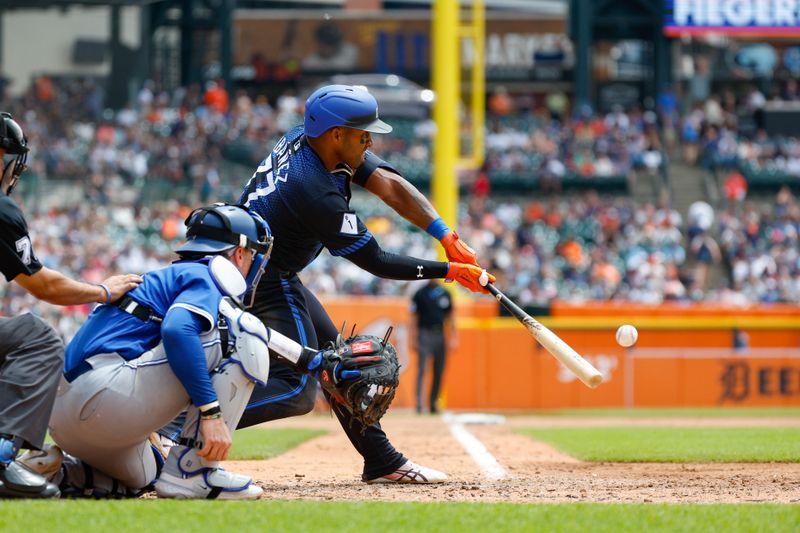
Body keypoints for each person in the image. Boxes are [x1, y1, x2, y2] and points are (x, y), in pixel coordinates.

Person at [229, 84, 495, 484]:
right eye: (363, 133)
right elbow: (376, 261)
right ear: (337, 134)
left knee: (340, 366)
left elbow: (389, 184)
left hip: (261, 267)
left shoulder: (310, 142)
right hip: (259, 276)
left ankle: (383, 460)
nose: (370, 140)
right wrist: (449, 271)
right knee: (298, 386)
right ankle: (181, 429)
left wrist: (447, 237)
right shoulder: (314, 190)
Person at [23, 204, 274, 499]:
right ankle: (196, 472)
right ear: (239, 252)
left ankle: (59, 471)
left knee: (149, 475)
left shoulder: (172, 276)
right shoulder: (205, 274)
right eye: (253, 255)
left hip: (65, 418)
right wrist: (211, 412)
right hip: (100, 398)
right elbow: (177, 329)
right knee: (245, 333)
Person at [0, 112, 142, 499]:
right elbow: (43, 285)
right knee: (36, 337)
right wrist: (102, 290)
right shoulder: (2, 210)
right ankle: (1, 460)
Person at [410, 279, 456, 414]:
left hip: (440, 334)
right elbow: (414, 317)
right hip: (424, 333)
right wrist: (413, 338)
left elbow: (451, 316)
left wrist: (454, 336)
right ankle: (419, 403)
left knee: (439, 371)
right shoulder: (420, 293)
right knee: (422, 370)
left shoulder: (445, 293)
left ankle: (433, 403)